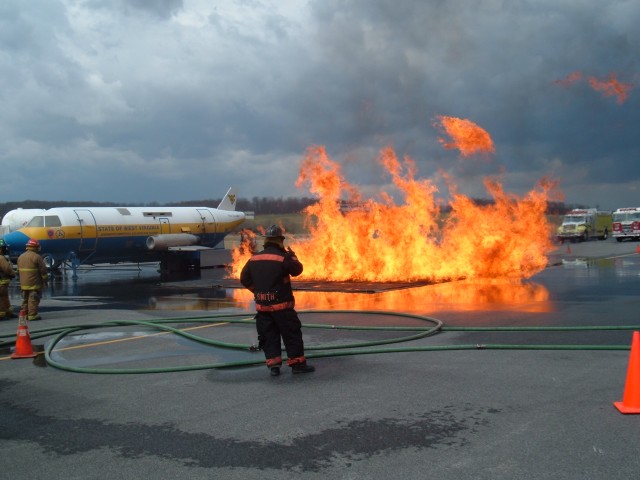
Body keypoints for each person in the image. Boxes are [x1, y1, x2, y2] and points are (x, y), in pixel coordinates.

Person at [240, 225, 315, 376]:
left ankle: (274, 367)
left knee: (269, 337)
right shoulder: (283, 258)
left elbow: (244, 279)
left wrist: (258, 291)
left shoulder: (254, 258)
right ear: (280, 241)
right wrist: (293, 257)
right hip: (282, 308)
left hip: (263, 309)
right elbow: (297, 270)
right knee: (291, 335)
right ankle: (297, 364)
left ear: (266, 241)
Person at [17, 238, 48, 321]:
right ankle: (32, 315)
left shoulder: (21, 256)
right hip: (34, 283)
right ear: (35, 247)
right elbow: (43, 270)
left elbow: (18, 271)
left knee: (25, 299)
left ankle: (24, 314)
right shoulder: (37, 257)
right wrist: (45, 280)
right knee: (33, 299)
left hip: (23, 284)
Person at [0, 239, 16, 319]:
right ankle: (2, 314)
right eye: (3, 248)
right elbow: (7, 269)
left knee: (4, 297)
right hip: (2, 283)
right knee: (2, 298)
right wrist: (13, 273)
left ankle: (8, 312)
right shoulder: (1, 258)